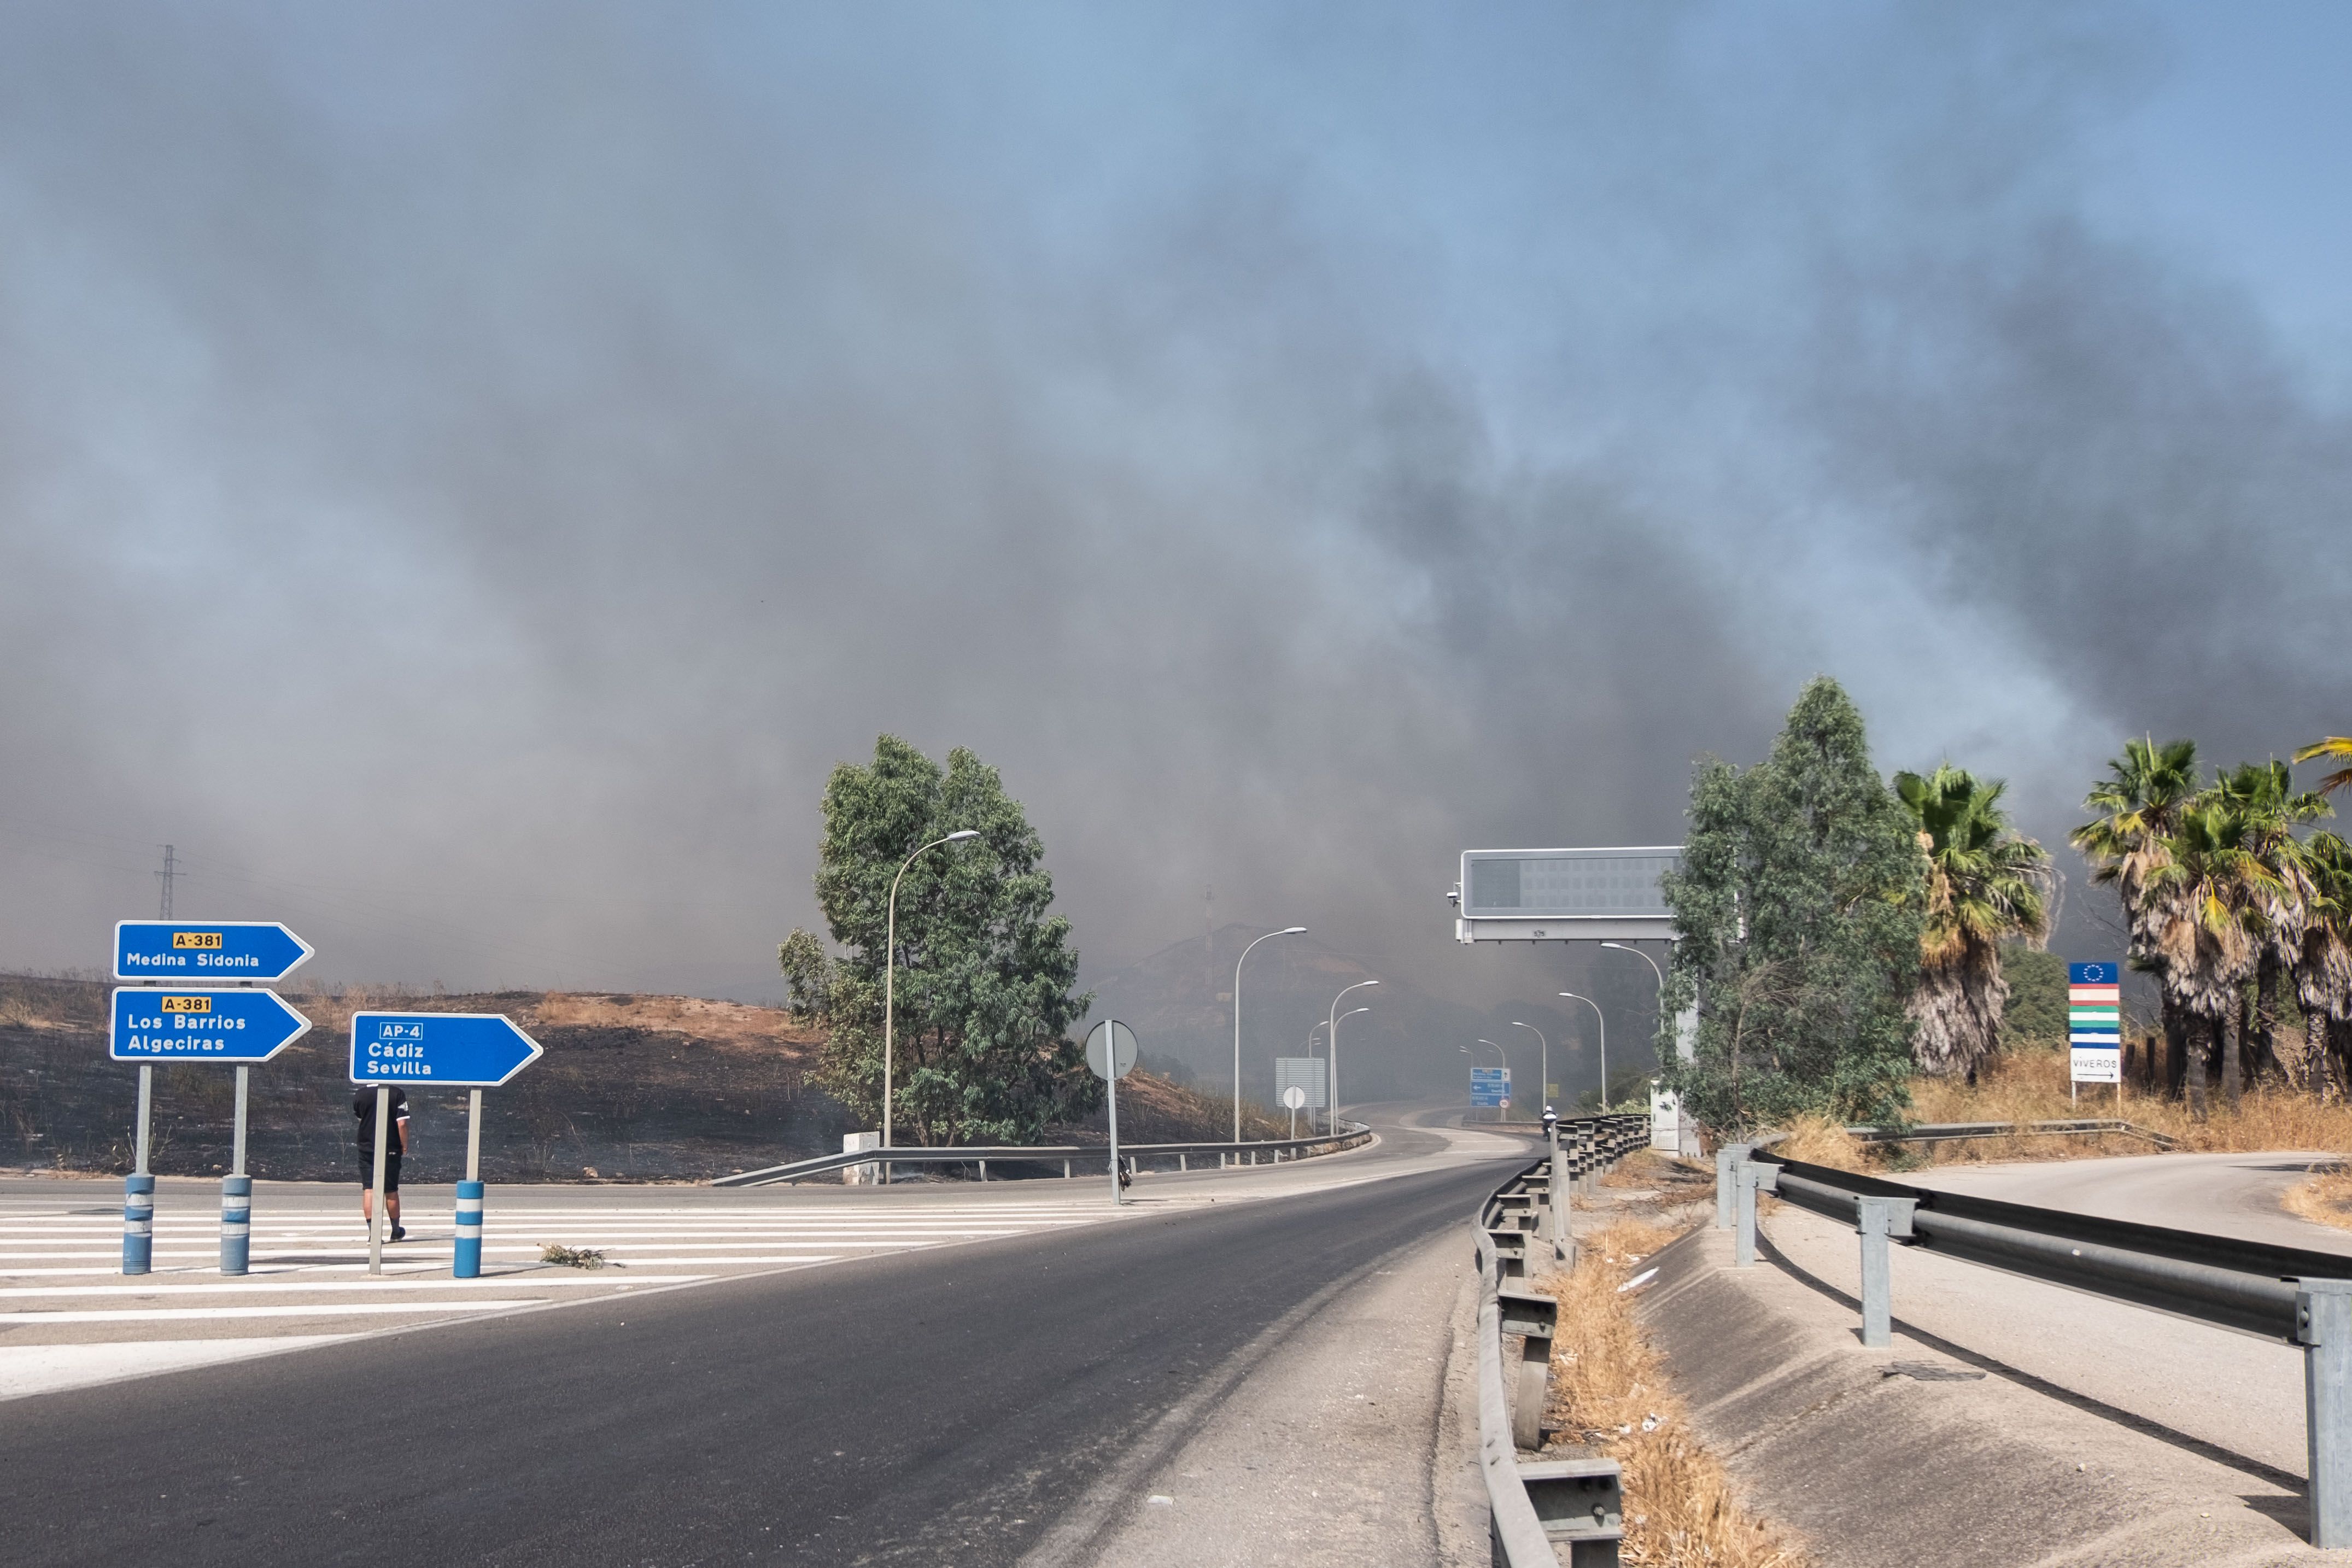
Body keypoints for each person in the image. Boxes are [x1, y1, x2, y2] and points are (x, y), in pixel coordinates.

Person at [354, 1086, 411, 1241]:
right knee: (391, 1191)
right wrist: (404, 1145)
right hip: (390, 1148)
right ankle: (396, 1230)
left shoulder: (360, 1094)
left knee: (369, 1189)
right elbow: (402, 1124)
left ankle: (374, 1234)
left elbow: (361, 1118)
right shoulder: (397, 1093)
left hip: (367, 1148)